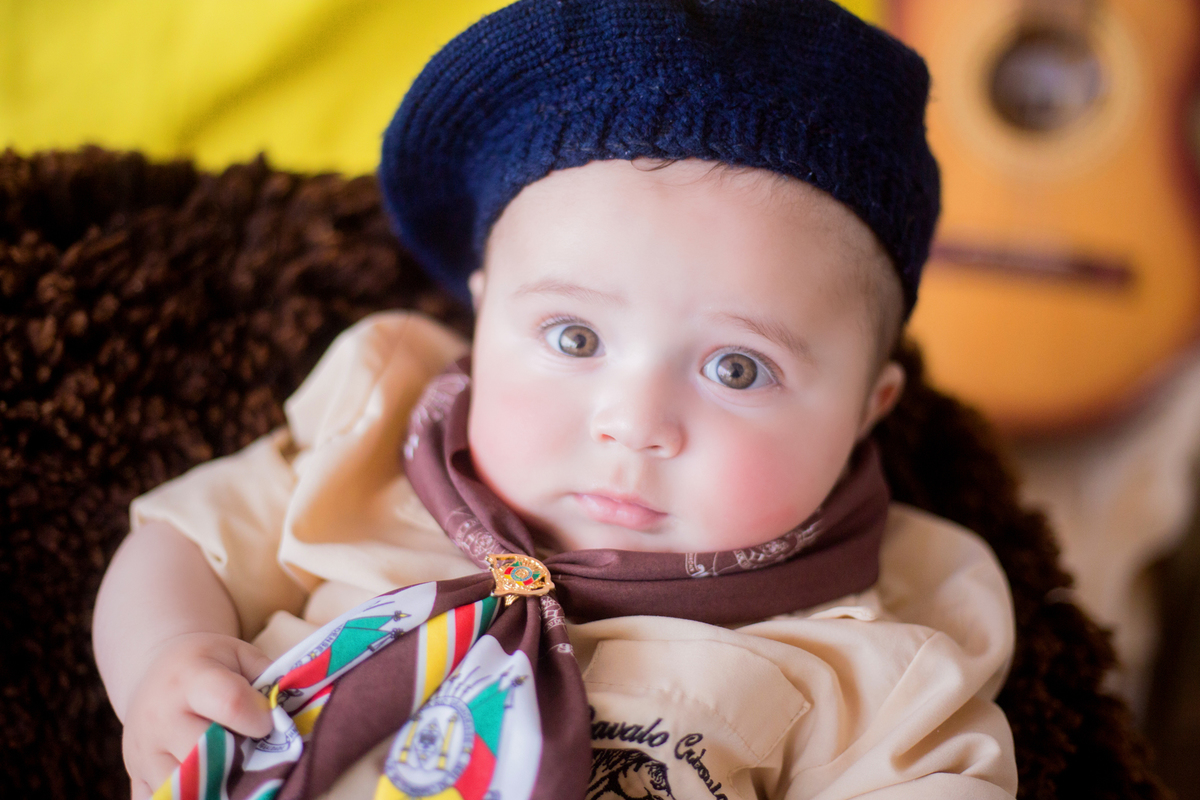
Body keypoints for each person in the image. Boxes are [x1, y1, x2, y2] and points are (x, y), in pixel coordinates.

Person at [92, 1, 1019, 798]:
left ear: (869, 405)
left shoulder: (870, 648)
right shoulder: (376, 434)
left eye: (737, 369)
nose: (633, 422)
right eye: (575, 339)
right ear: (485, 307)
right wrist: (166, 661)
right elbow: (182, 542)